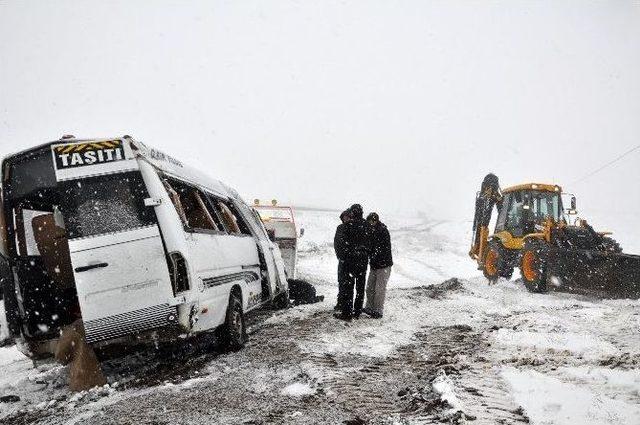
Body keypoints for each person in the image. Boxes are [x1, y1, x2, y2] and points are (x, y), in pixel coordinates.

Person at [334, 204, 370, 321]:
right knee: (360, 287)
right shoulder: (366, 226)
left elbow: (340, 245)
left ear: (352, 213)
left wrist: (344, 257)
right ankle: (357, 311)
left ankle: (347, 313)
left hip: (350, 262)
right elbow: (371, 243)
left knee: (348, 287)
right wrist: (365, 254)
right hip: (363, 261)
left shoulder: (347, 226)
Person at [363, 212, 393, 319]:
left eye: (370, 221)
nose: (369, 224)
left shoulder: (382, 231)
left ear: (374, 220)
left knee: (379, 289)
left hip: (383, 266)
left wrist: (371, 253)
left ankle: (378, 310)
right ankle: (369, 307)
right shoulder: (372, 231)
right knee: (370, 287)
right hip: (375, 265)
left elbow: (380, 248)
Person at [334, 209, 351, 311]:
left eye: (348, 217)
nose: (346, 219)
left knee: (348, 282)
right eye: (344, 217)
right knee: (341, 281)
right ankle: (340, 302)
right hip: (342, 260)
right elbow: (337, 243)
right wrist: (340, 256)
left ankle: (346, 304)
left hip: (349, 260)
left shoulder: (352, 228)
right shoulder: (340, 228)